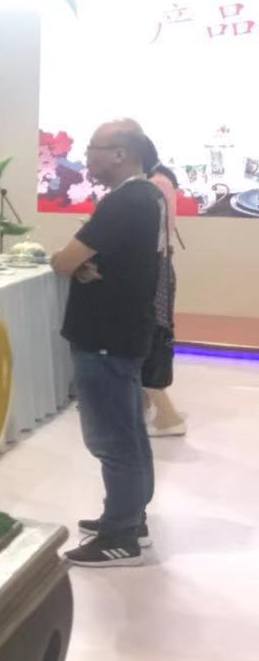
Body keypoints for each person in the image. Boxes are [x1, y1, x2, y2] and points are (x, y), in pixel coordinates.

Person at [51, 120, 165, 567]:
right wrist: (83, 264)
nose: (86, 157)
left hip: (105, 336)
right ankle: (130, 519)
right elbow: (91, 260)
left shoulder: (125, 201)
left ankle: (122, 536)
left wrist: (72, 263)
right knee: (129, 431)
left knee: (113, 438)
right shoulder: (145, 196)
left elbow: (65, 259)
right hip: (122, 332)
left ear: (120, 154)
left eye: (93, 148)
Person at [136, 135, 185, 437]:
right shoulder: (162, 181)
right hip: (159, 266)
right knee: (152, 333)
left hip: (154, 270)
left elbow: (151, 236)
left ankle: (168, 417)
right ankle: (144, 405)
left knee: (151, 335)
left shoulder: (154, 185)